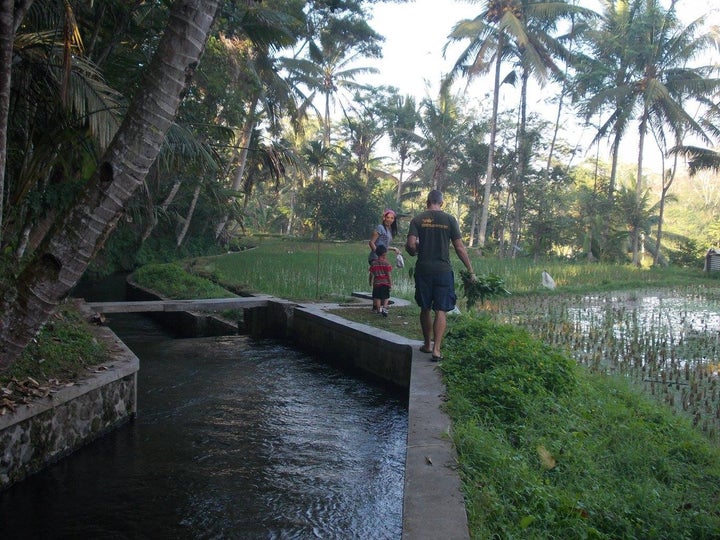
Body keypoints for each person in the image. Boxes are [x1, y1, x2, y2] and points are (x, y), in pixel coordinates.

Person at [405, 189, 475, 361]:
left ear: (428, 202)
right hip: (443, 271)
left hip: (424, 270)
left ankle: (427, 345)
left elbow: (411, 245)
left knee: (425, 308)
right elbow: (459, 248)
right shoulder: (450, 220)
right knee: (441, 310)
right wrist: (470, 271)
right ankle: (437, 349)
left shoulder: (418, 219)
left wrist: (415, 250)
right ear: (441, 203)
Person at [368, 244, 393, 316]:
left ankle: (378, 310)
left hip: (376, 284)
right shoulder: (386, 263)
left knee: (377, 297)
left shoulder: (373, 263)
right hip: (385, 283)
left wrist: (370, 281)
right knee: (386, 297)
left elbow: (371, 274)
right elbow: (388, 275)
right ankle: (384, 308)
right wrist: (390, 284)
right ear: (384, 253)